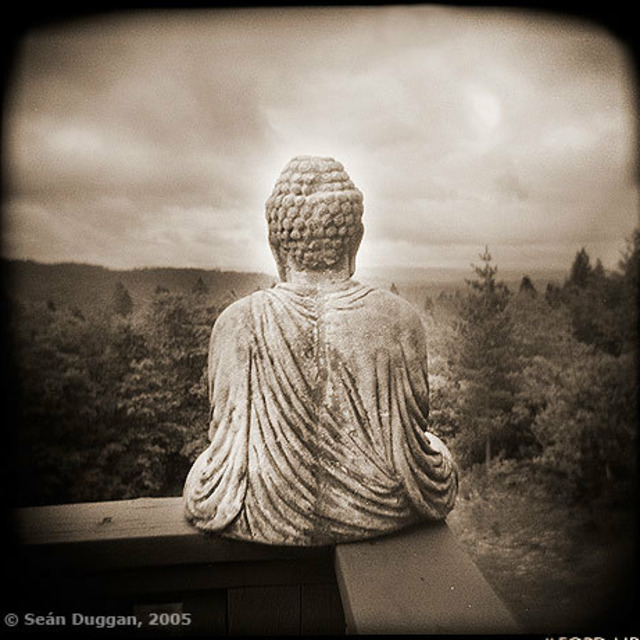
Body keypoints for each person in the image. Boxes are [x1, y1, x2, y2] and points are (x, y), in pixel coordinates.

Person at [183, 156, 457, 545]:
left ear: (276, 246)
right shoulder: (399, 319)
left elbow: (224, 449)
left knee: (202, 474)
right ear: (355, 240)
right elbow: (415, 444)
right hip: (384, 510)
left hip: (263, 512)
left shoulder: (237, 322)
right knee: (439, 453)